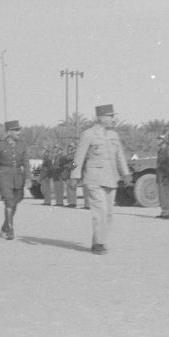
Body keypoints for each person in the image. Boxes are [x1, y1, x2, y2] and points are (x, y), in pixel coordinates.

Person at [71, 104, 131, 255]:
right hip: (94, 179)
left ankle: (99, 241)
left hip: (111, 178)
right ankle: (98, 244)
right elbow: (78, 158)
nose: (113, 119)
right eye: (110, 116)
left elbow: (120, 156)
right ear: (100, 118)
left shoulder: (113, 135)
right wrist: (74, 175)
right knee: (100, 211)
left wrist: (126, 173)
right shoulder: (88, 134)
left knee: (109, 213)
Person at [0, 120, 31, 240]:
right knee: (9, 201)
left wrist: (28, 178)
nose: (19, 132)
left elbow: (26, 163)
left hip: (18, 176)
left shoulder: (22, 145)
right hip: (4, 176)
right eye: (16, 130)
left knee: (17, 200)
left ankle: (5, 226)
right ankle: (9, 229)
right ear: (8, 132)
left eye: (19, 130)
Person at [155, 134, 169, 219]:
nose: (157, 141)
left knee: (165, 196)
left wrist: (166, 176)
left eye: (159, 139)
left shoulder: (167, 151)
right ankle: (164, 212)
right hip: (160, 176)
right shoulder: (161, 150)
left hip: (165, 177)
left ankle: (166, 213)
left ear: (164, 141)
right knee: (162, 196)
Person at [64, 142, 78, 208]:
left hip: (73, 174)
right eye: (69, 146)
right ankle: (70, 202)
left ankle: (73, 203)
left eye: (71, 146)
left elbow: (76, 163)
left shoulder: (75, 154)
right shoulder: (68, 154)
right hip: (67, 174)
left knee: (72, 188)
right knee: (69, 189)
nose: (70, 147)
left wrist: (68, 166)